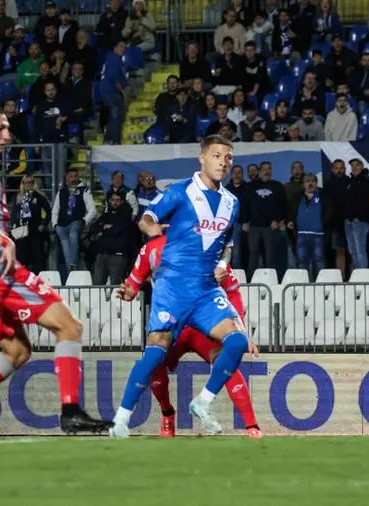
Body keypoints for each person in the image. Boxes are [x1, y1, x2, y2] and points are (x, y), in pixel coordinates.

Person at [0, 102, 110, 437]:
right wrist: (4, 240)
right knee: (70, 327)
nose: (7, 135)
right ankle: (71, 411)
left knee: (17, 351)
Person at [110, 136, 258, 439]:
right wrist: (150, 227)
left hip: (204, 290)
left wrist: (223, 262)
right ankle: (121, 421)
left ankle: (203, 402)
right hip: (172, 288)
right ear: (202, 158)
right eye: (217, 156)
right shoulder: (181, 191)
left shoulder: (232, 201)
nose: (223, 162)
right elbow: (148, 216)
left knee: (238, 342)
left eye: (228, 158)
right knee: (154, 356)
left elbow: (227, 242)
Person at [118, 235, 261, 438]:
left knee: (226, 361)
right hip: (173, 327)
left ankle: (251, 425)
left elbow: (233, 290)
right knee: (154, 364)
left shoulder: (208, 252)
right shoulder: (152, 250)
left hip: (201, 328)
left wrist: (241, 331)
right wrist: (127, 293)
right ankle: (167, 413)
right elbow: (133, 286)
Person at [51, 167, 96, 277]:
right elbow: (55, 210)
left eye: (75, 176)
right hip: (61, 225)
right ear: (67, 178)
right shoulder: (61, 192)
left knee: (73, 235)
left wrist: (84, 221)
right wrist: (55, 225)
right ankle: (71, 273)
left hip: (76, 222)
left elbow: (93, 210)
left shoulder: (84, 190)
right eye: (71, 176)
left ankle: (73, 264)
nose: (73, 179)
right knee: (66, 249)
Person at [287, 172, 326, 279]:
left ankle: (320, 284)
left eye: (313, 181)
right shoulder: (297, 196)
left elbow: (330, 211)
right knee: (301, 261)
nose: (310, 184)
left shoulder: (323, 195)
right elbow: (291, 211)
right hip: (301, 235)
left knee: (319, 261)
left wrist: (323, 224)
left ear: (316, 183)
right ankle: (303, 285)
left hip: (318, 234)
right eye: (307, 181)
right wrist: (290, 220)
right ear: (303, 184)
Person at [11, 174, 52, 274]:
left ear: (34, 184)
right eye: (26, 182)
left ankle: (38, 278)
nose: (28, 185)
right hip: (21, 230)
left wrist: (44, 224)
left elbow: (49, 211)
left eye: (31, 182)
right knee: (21, 255)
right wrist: (13, 225)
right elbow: (13, 213)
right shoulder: (17, 197)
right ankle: (22, 278)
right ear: (23, 184)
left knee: (37, 256)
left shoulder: (39, 196)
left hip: (35, 229)